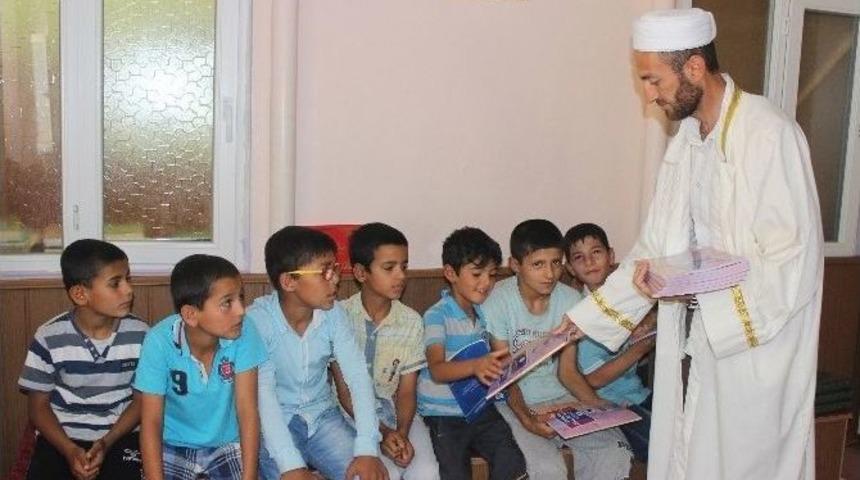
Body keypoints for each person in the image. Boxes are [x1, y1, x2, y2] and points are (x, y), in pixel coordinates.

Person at [560, 8, 823, 479]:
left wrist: (699, 290)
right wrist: (578, 322)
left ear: (695, 68)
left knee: (747, 462)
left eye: (653, 80)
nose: (648, 94)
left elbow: (793, 263)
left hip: (757, 349)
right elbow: (654, 247)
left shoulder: (769, 135)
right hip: (700, 338)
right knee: (695, 455)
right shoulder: (686, 139)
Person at [484, 219, 632, 479]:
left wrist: (599, 405)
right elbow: (505, 377)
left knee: (615, 452)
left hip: (564, 402)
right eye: (538, 264)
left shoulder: (570, 299)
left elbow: (568, 372)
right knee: (548, 470)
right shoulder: (497, 301)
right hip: (517, 403)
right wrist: (528, 419)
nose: (550, 274)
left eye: (556, 262)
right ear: (515, 265)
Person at [247, 226, 388, 480]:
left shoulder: (333, 314)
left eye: (335, 269)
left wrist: (367, 449)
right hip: (276, 422)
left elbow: (357, 377)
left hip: (322, 416)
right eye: (325, 271)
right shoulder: (258, 322)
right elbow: (264, 396)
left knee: (374, 475)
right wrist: (290, 464)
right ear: (289, 281)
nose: (335, 278)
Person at [18, 239, 147, 480]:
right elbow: (38, 407)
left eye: (128, 279)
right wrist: (69, 450)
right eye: (115, 283)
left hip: (120, 434)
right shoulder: (49, 337)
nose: (129, 290)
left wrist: (106, 443)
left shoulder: (141, 334)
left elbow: (141, 401)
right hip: (62, 436)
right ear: (80, 294)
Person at [134, 254, 266, 480]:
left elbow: (247, 411)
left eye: (240, 298)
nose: (241, 310)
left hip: (227, 444)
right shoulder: (158, 341)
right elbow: (151, 421)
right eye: (227, 303)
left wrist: (250, 477)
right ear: (191, 315)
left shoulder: (245, 331)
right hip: (173, 444)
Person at [417, 227, 527, 480]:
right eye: (477, 274)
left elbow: (496, 359)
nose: (486, 283)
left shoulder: (484, 312)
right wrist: (477, 366)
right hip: (444, 415)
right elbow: (437, 369)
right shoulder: (437, 315)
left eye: (492, 274)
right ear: (450, 273)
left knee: (512, 462)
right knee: (454, 473)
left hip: (480, 408)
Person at [335, 222, 440, 479]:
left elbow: (406, 392)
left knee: (426, 471)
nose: (401, 276)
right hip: (347, 415)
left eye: (404, 266)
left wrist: (400, 434)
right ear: (361, 272)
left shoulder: (412, 322)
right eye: (389, 268)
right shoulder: (339, 317)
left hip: (395, 413)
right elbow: (345, 392)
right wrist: (381, 433)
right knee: (385, 473)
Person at [563, 222, 655, 461]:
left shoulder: (629, 297)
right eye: (579, 257)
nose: (589, 262)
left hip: (640, 392)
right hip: (610, 405)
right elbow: (591, 380)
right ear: (571, 268)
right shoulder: (578, 314)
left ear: (611, 255)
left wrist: (650, 322)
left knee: (688, 428)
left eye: (596, 252)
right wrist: (638, 350)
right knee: (658, 447)